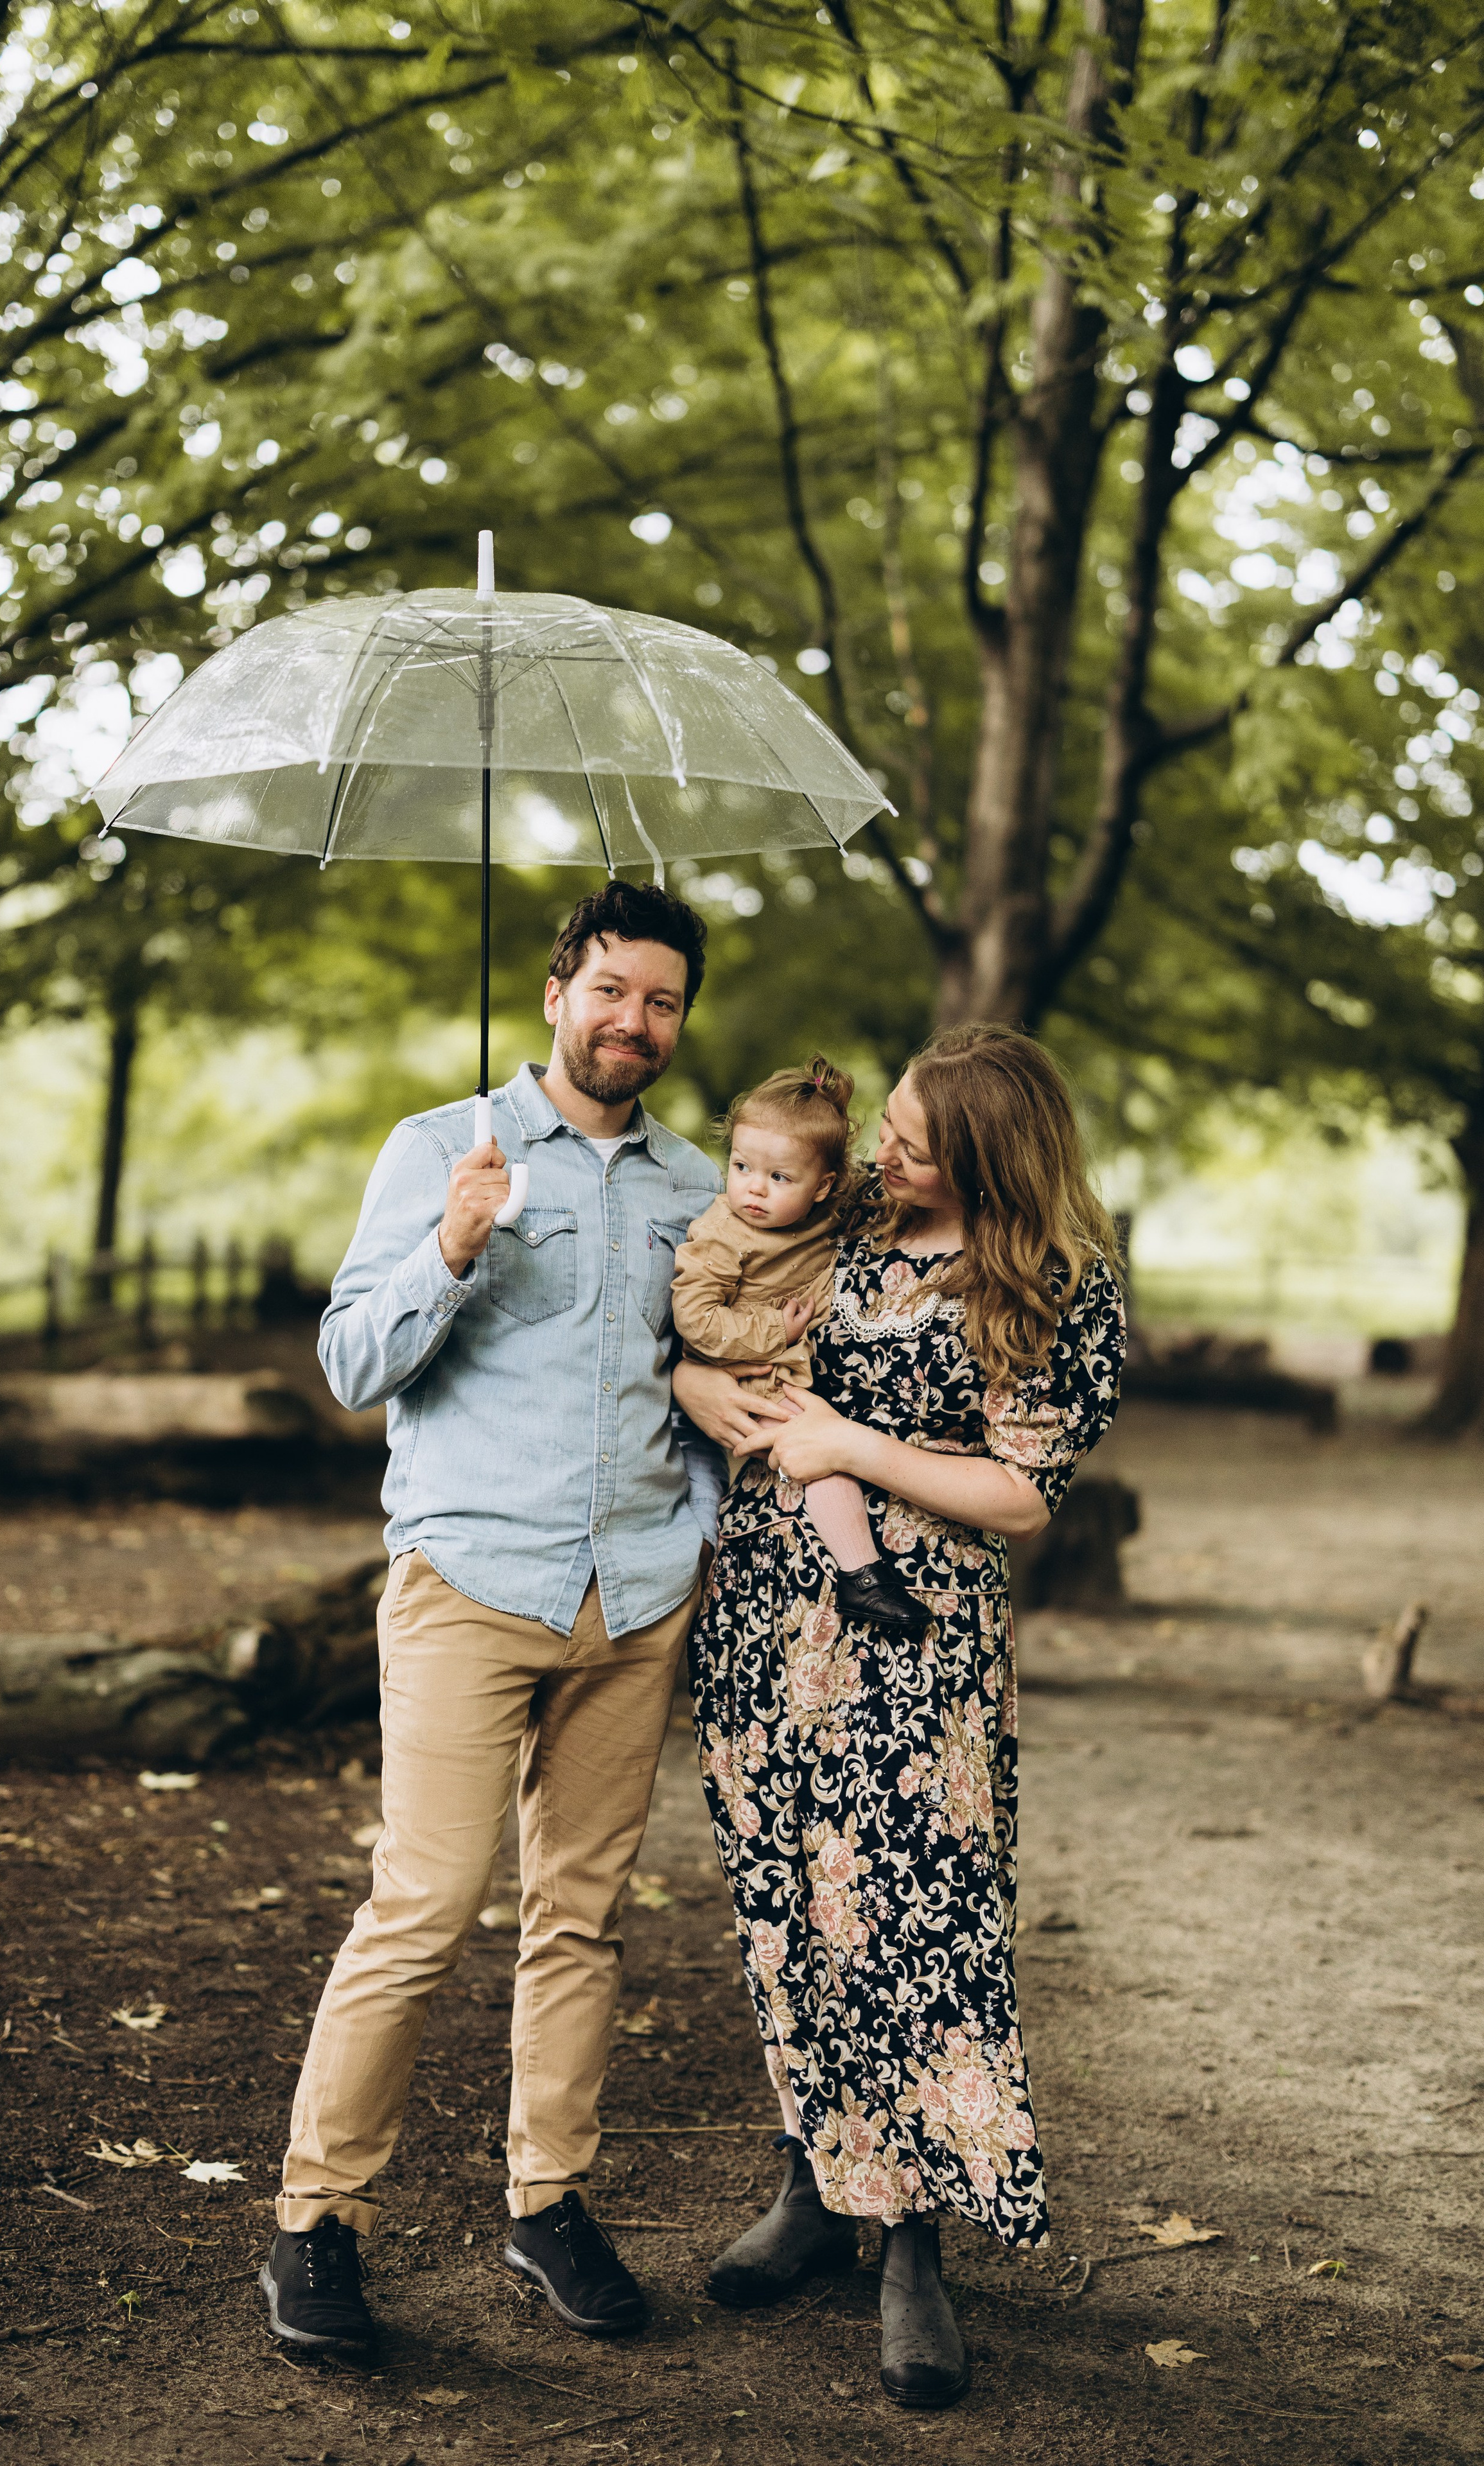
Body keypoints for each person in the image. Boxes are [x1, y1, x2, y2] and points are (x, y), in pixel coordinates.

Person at [259, 879, 723, 2356]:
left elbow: (712, 1377)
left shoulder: (697, 1188)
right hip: (468, 1585)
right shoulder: (435, 1149)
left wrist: (693, 1535)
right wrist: (450, 1244)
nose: (631, 1020)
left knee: (577, 1915)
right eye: (609, 990)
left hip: (633, 1598)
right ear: (553, 991)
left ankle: (547, 2199)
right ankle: (316, 2223)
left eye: (659, 999)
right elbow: (349, 1361)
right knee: (423, 1903)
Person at [677, 1025, 1126, 2411]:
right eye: (889, 1127)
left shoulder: (1055, 1286)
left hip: (914, 1648)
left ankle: (912, 2244)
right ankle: (812, 2183)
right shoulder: (843, 1219)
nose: (885, 1151)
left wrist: (851, 1447)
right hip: (764, 1625)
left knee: (915, 1924)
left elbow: (1020, 1493)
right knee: (784, 1910)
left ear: (988, 1156)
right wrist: (722, 1399)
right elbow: (703, 1343)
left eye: (917, 1142)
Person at [670, 1056, 924, 1635]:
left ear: (824, 1185)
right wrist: (774, 1332)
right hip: (753, 1365)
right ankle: (862, 1574)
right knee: (816, 1453)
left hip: (792, 1349)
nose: (754, 1189)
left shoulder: (834, 1204)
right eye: (740, 1167)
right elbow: (695, 1319)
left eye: (779, 1178)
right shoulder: (723, 1233)